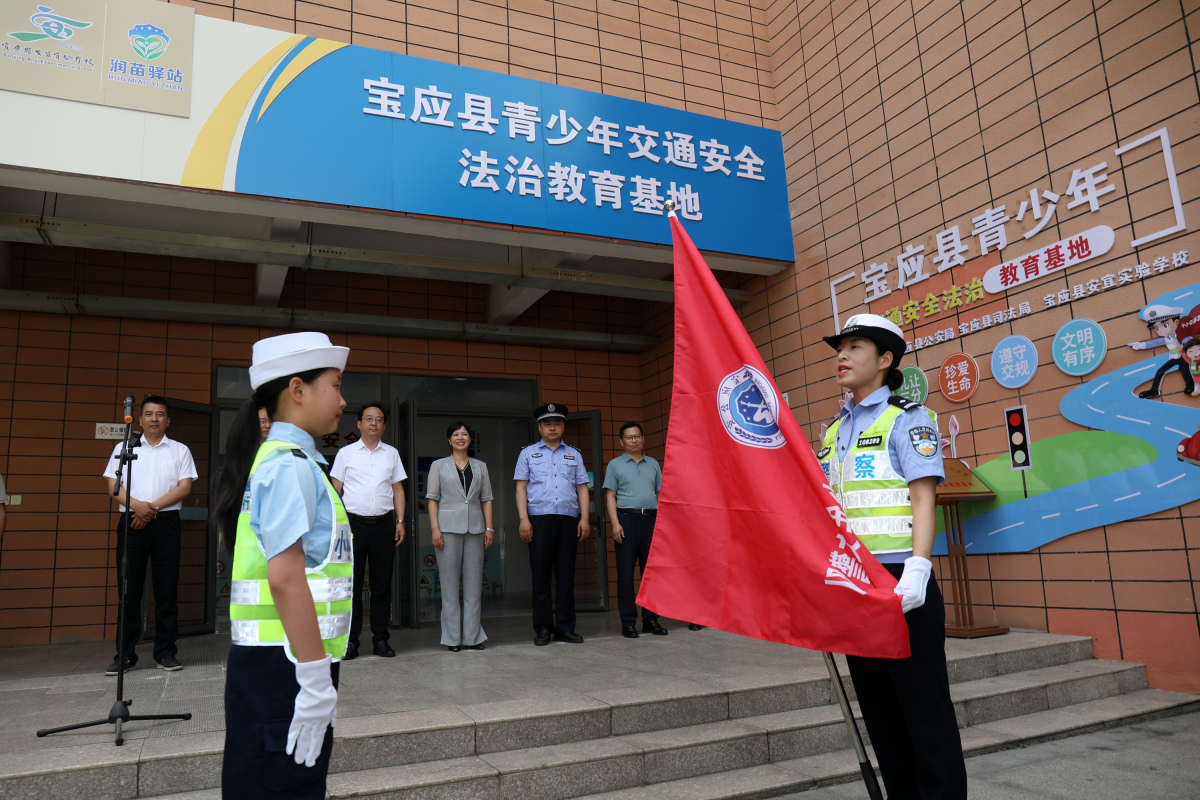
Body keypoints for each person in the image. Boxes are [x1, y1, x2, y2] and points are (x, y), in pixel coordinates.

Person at [817, 313, 967, 800]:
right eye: (840, 347)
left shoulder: (907, 417)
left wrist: (920, 569)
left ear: (885, 360)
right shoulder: (833, 431)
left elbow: (924, 495)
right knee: (879, 710)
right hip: (855, 585)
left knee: (924, 710)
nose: (842, 355)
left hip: (904, 580)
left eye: (855, 347)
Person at [212, 331, 352, 799]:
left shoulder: (290, 460)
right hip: (287, 667)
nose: (342, 399)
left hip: (284, 661)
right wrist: (314, 680)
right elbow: (286, 577)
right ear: (297, 390)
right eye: (334, 385)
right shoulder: (290, 465)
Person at [102, 395, 197, 675]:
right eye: (149, 414)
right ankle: (126, 655)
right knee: (128, 591)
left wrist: (150, 509)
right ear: (139, 419)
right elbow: (113, 487)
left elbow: (185, 488)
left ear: (168, 420)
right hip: (131, 520)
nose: (154, 419)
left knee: (166, 589)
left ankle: (166, 652)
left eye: (160, 414)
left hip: (166, 522)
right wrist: (138, 508)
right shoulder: (123, 447)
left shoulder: (180, 450)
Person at [330, 404, 407, 659]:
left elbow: (397, 490)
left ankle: (380, 639)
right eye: (368, 419)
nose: (373, 423)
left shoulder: (392, 454)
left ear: (384, 426)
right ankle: (350, 642)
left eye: (379, 420)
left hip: (384, 525)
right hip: (353, 525)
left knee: (381, 586)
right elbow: (335, 489)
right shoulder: (345, 453)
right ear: (359, 424)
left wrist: (400, 521)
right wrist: (336, 524)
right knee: (350, 586)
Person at [514, 403, 591, 646]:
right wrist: (524, 519)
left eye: (556, 423)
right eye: (547, 423)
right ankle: (543, 628)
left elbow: (582, 488)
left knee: (567, 576)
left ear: (563, 426)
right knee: (541, 576)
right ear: (539, 427)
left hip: (568, 519)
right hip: (538, 519)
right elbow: (520, 488)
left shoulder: (574, 454)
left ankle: (566, 628)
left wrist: (585, 518)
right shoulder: (527, 453)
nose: (552, 427)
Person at [426, 422, 495, 652]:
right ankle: (453, 639)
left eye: (464, 434)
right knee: (449, 587)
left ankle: (473, 637)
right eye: (455, 434)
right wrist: (435, 529)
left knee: (474, 587)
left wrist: (489, 528)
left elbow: (486, 499)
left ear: (470, 439)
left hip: (475, 529)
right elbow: (432, 499)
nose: (460, 437)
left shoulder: (481, 466)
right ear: (449, 440)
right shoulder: (438, 465)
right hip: (446, 530)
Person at [602, 422, 667, 638]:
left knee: (651, 574)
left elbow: (659, 494)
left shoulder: (653, 464)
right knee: (626, 574)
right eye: (629, 437)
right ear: (621, 441)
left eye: (637, 436)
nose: (634, 440)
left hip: (651, 520)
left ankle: (650, 619)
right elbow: (609, 495)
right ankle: (628, 622)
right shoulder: (615, 465)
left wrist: (661, 522)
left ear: (643, 438)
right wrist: (615, 523)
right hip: (626, 520)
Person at [1128, 304, 1195, 398]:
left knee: (1184, 369)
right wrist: (1142, 345)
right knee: (1160, 370)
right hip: (1175, 358)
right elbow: (1155, 343)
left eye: (1165, 325)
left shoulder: (1182, 334)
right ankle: (1155, 390)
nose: (1159, 331)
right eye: (1157, 328)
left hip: (1185, 356)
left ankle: (1191, 386)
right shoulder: (1166, 338)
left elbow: (1190, 343)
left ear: (1176, 323)